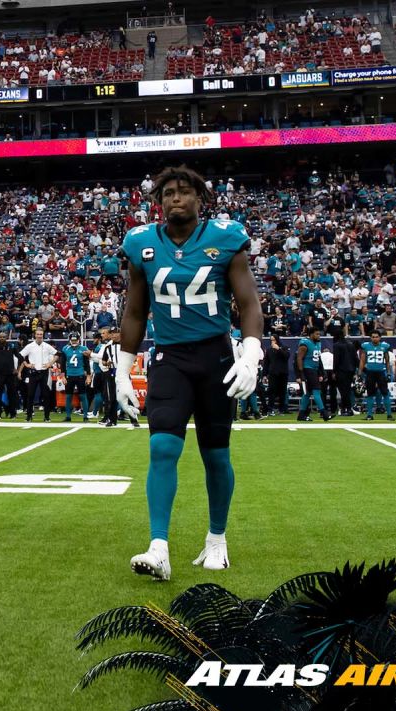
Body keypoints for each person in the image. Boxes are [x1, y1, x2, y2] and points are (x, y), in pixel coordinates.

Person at [117, 165, 263, 582]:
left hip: (215, 356)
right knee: (162, 447)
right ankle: (158, 546)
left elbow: (248, 303)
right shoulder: (142, 244)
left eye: (183, 192)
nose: (174, 199)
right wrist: (122, 372)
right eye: (167, 194)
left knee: (215, 454)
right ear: (158, 202)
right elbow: (134, 310)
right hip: (170, 359)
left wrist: (250, 353)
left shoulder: (224, 237)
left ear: (200, 198)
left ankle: (217, 539)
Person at [19, 328, 56, 421]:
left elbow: (58, 354)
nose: (39, 336)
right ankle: (29, 416)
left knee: (46, 395)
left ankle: (47, 417)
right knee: (30, 395)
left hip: (44, 372)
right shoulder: (30, 346)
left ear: (43, 335)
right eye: (38, 334)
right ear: (35, 335)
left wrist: (50, 364)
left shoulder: (47, 346)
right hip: (33, 373)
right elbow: (20, 355)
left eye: (41, 334)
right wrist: (26, 364)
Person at [295, 327, 331, 422]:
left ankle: (301, 415)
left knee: (307, 393)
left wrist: (321, 372)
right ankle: (324, 413)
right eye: (316, 334)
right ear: (311, 334)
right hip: (308, 369)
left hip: (314, 370)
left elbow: (318, 359)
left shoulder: (318, 343)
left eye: (319, 334)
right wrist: (301, 373)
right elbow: (299, 358)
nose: (319, 336)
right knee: (316, 391)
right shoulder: (305, 343)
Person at [359, 330, 395, 420]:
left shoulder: (384, 346)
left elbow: (387, 361)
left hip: (381, 372)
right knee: (370, 394)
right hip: (370, 372)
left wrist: (389, 373)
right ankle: (369, 415)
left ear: (380, 337)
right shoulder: (366, 346)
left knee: (385, 393)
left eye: (376, 337)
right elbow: (362, 360)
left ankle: (389, 414)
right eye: (373, 337)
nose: (375, 338)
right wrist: (359, 372)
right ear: (371, 338)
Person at [57, 332, 91, 421]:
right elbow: (62, 364)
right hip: (69, 375)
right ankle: (68, 416)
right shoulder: (65, 348)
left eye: (76, 340)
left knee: (83, 396)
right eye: (72, 340)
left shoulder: (84, 349)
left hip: (80, 375)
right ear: (70, 340)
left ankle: (85, 416)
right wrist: (63, 376)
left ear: (79, 340)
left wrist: (88, 376)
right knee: (68, 396)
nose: (74, 342)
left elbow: (87, 364)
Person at [263, 334, 290, 415]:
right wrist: (264, 374)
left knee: (282, 391)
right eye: (271, 340)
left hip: (283, 373)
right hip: (273, 373)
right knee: (272, 391)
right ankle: (270, 409)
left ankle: (282, 409)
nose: (272, 342)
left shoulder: (284, 347)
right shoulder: (269, 350)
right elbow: (266, 363)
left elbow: (286, 356)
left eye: (274, 340)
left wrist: (278, 349)